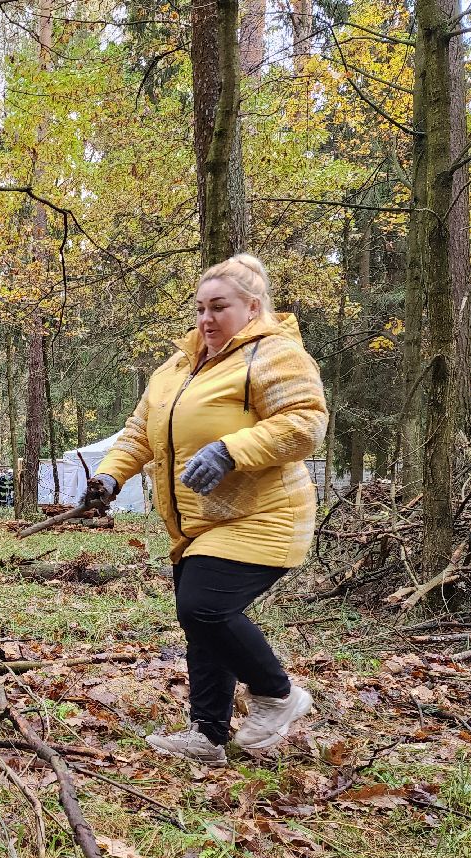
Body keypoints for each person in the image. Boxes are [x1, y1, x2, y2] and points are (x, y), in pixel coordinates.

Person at [82, 254, 326, 765]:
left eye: (219, 307)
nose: (206, 319)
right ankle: (208, 735)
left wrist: (230, 450)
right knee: (201, 624)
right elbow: (140, 432)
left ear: (252, 307)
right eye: (199, 308)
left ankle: (277, 694)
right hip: (198, 522)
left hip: (264, 513)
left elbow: (305, 424)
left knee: (203, 607)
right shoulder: (176, 367)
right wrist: (110, 475)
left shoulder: (273, 354)